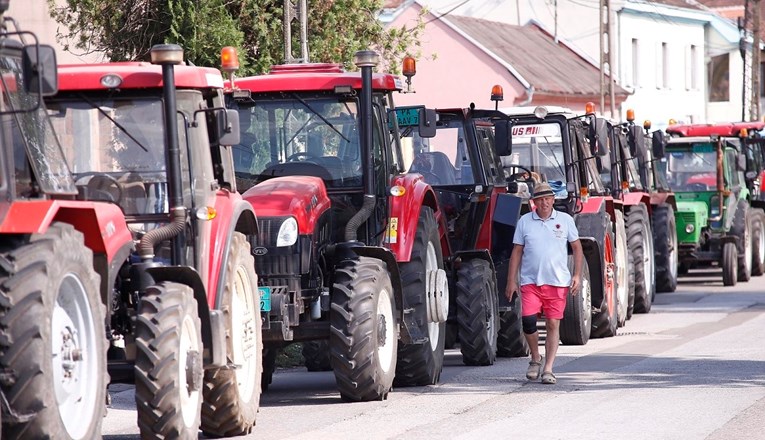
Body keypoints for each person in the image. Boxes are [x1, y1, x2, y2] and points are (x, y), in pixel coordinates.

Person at [505, 182, 583, 385]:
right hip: (531, 281)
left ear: (553, 200)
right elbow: (517, 252)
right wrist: (511, 280)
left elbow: (577, 248)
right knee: (528, 321)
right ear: (534, 202)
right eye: (540, 199)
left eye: (548, 198)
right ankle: (535, 357)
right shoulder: (525, 221)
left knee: (552, 323)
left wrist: (576, 275)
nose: (544, 202)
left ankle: (548, 368)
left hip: (557, 282)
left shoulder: (565, 220)